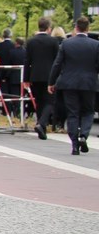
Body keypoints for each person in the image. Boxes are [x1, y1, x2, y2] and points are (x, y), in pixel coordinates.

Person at [48, 17, 99, 155]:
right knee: (88, 111)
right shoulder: (96, 45)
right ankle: (83, 135)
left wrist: (51, 82)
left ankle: (74, 145)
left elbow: (57, 64)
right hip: (89, 83)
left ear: (76, 28)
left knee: (72, 113)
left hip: (69, 83)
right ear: (88, 28)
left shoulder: (66, 44)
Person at [25, 16, 60, 139]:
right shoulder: (53, 41)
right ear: (49, 28)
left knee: (39, 102)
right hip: (50, 75)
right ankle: (42, 123)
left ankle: (42, 129)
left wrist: (26, 78)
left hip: (35, 75)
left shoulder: (30, 41)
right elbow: (57, 61)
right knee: (50, 101)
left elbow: (27, 60)